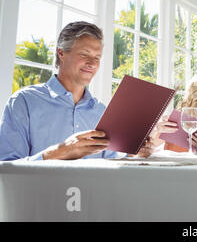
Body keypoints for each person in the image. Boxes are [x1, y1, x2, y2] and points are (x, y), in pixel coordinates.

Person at [0, 21, 176, 161]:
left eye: (97, 57)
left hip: (92, 202)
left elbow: (112, 159)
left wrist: (135, 153)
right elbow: (6, 167)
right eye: (84, 54)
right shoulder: (24, 102)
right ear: (61, 53)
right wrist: (59, 152)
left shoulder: (102, 111)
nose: (92, 63)